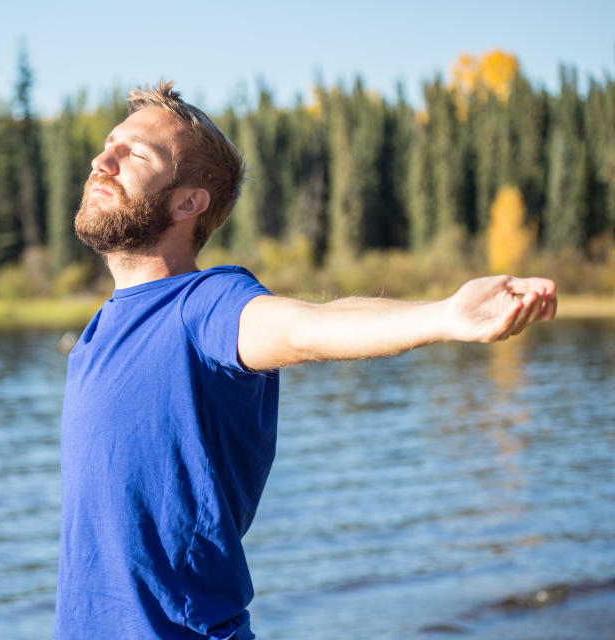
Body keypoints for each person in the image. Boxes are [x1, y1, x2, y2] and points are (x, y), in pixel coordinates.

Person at [54, 81, 556, 640]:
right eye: (109, 145)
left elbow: (302, 328)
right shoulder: (101, 330)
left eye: (136, 154)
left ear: (187, 203)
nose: (103, 160)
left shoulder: (203, 307)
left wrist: (442, 316)